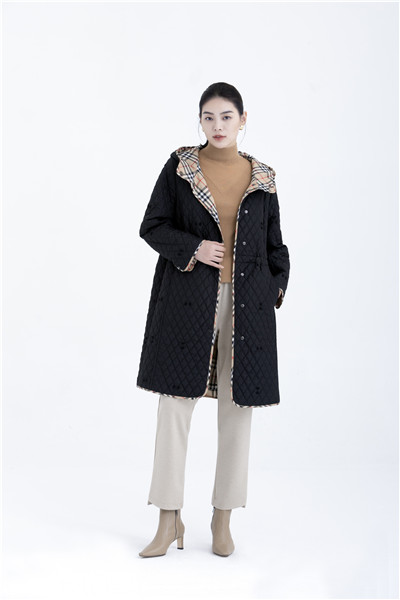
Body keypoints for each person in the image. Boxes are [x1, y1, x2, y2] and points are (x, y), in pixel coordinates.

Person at [136, 82, 290, 557]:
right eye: (208, 117)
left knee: (237, 410)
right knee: (174, 408)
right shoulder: (180, 167)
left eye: (226, 117)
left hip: (247, 307)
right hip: (187, 301)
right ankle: (168, 520)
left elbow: (276, 246)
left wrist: (273, 288)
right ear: (200, 121)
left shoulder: (262, 178)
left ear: (243, 120)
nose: (217, 126)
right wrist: (195, 248)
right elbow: (152, 226)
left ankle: (223, 519)